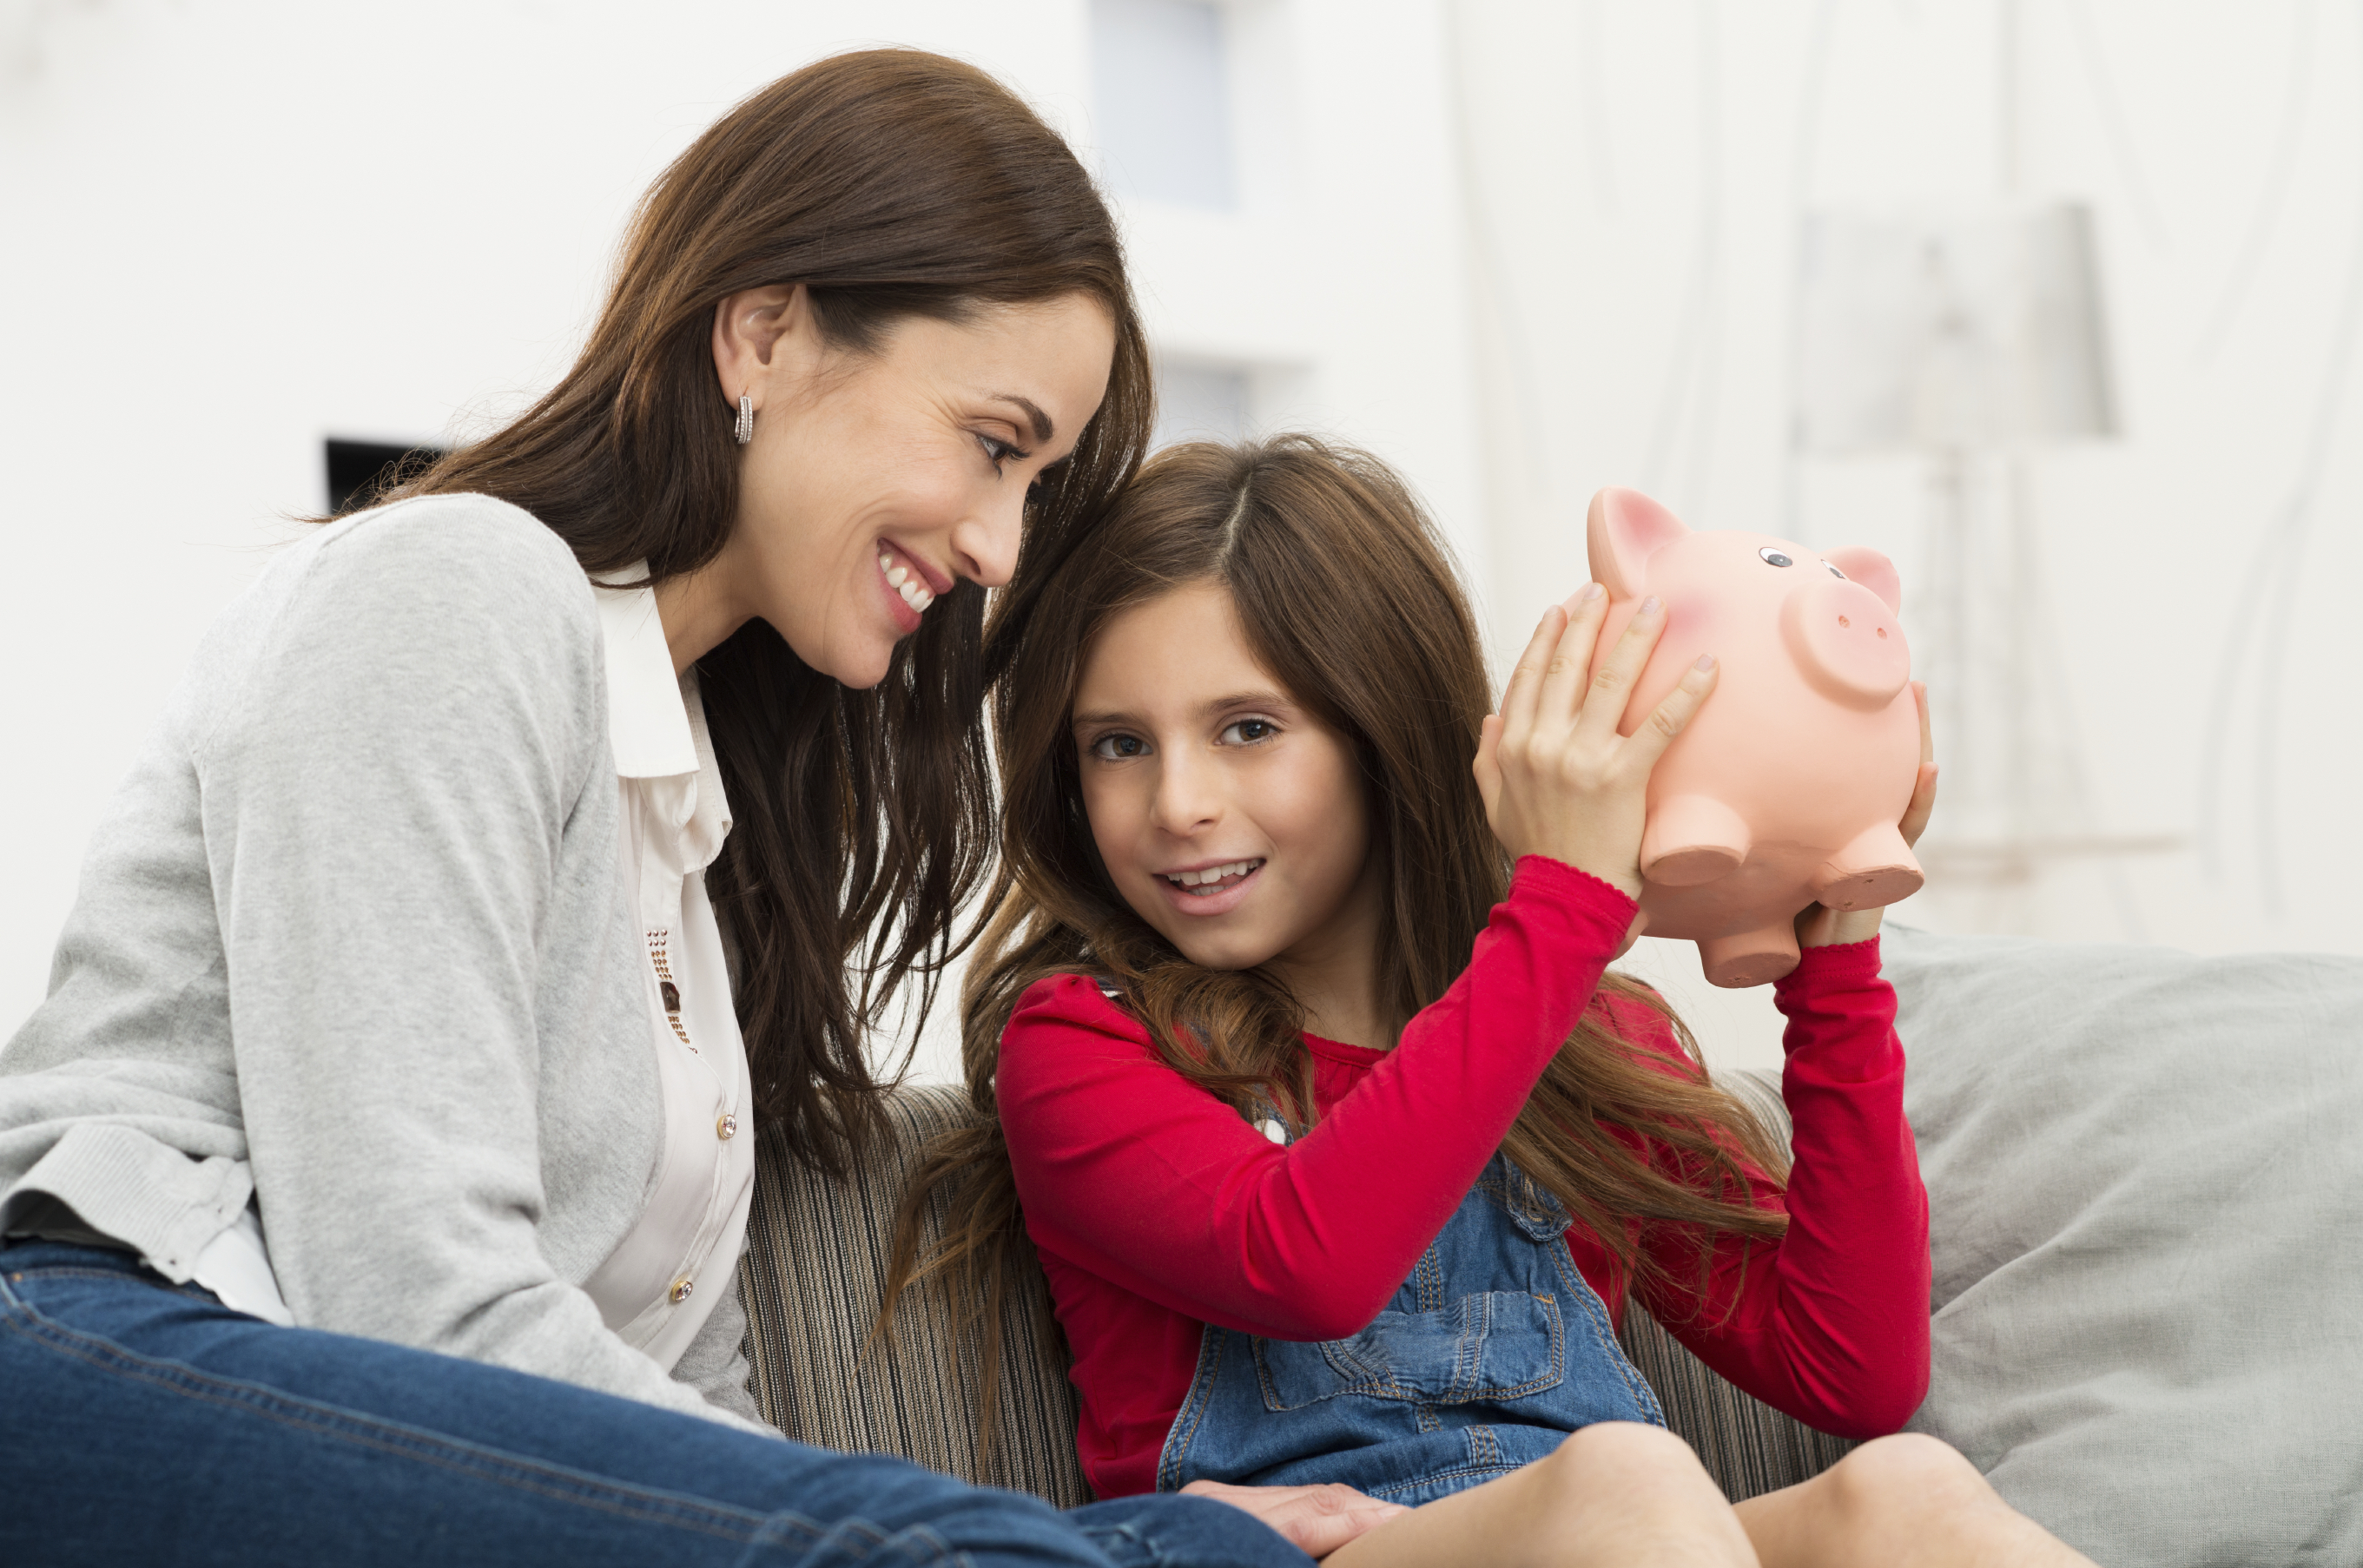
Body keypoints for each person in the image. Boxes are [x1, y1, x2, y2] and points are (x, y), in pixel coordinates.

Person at [0, 51, 1327, 1568]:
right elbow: (409, 1301)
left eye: (1035, 482)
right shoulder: (456, 587)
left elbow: (681, 1398)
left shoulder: (689, 818)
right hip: (118, 1343)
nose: (999, 544)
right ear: (763, 333)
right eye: (993, 444)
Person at [891, 436, 2100, 1566]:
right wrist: (1563, 905)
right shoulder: (1083, 1040)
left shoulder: (1581, 1038)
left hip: (1612, 1532)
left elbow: (1852, 1370)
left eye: (1247, 728)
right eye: (1117, 745)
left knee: (1907, 1495)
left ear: (1382, 730)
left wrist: (1837, 947)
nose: (1178, 804)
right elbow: (1304, 1262)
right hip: (1317, 1548)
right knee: (1626, 1479)